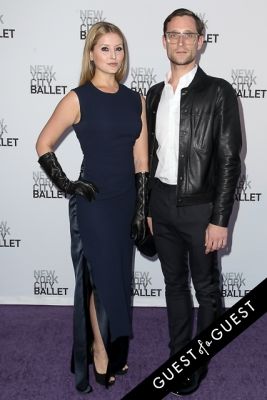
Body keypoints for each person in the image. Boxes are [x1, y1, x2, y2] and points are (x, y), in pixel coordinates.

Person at [36, 21, 149, 394]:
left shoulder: (136, 100)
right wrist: (69, 185)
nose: (113, 56)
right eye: (105, 49)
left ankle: (114, 345)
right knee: (99, 281)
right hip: (95, 201)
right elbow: (43, 144)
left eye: (119, 49)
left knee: (118, 279)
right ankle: (99, 351)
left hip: (125, 200)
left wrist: (139, 209)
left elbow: (142, 161)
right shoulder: (77, 98)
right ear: (91, 53)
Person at [146, 8, 242, 396]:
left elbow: (230, 159)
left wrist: (220, 219)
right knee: (173, 285)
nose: (181, 41)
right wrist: (150, 208)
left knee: (206, 288)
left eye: (189, 34)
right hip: (163, 202)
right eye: (174, 34)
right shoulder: (153, 93)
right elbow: (150, 158)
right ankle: (176, 355)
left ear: (202, 41)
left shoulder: (218, 91)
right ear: (164, 40)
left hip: (202, 207)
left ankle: (196, 359)